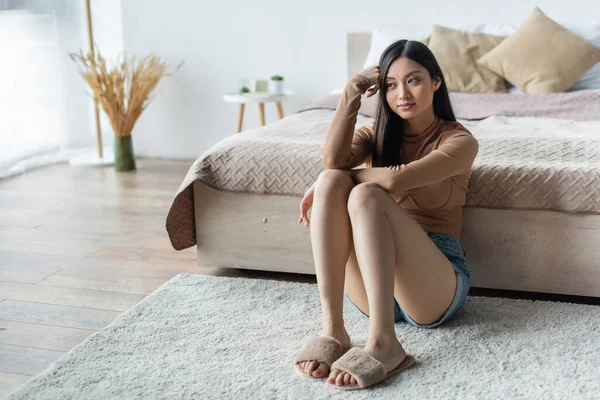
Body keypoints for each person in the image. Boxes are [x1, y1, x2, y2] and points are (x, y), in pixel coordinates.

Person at [293, 39, 479, 390]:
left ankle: (384, 342)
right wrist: (350, 92)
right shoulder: (374, 135)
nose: (402, 94)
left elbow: (395, 179)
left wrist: (336, 181)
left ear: (436, 81)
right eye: (391, 84)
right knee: (333, 179)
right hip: (374, 285)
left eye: (414, 80)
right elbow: (332, 161)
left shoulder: (459, 141)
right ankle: (333, 330)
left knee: (362, 193)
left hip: (434, 286)